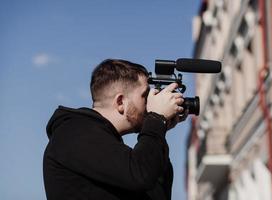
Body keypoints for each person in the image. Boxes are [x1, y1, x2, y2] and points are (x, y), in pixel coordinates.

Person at [43, 59, 187, 200]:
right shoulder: (73, 133)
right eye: (145, 96)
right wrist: (156, 118)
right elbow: (140, 175)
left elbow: (154, 191)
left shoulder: (103, 143)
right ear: (120, 102)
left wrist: (160, 130)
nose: (149, 103)